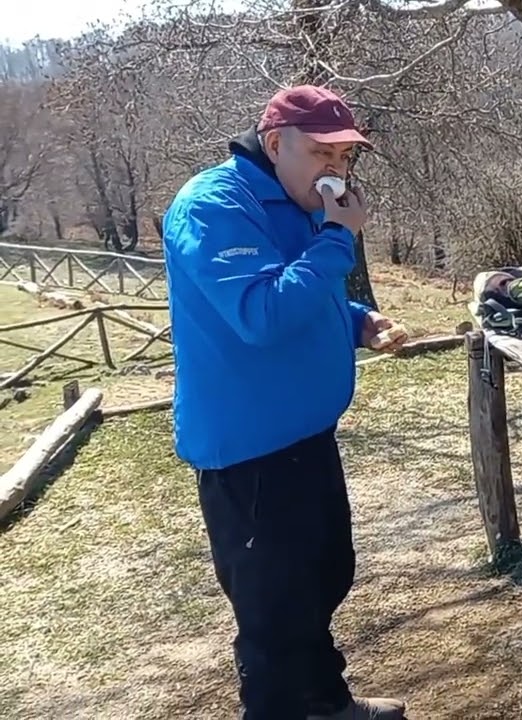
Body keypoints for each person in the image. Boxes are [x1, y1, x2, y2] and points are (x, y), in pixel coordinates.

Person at [162, 85, 409, 720]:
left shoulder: (299, 205)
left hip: (306, 433)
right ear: (276, 144)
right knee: (272, 610)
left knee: (322, 577)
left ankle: (325, 703)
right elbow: (261, 312)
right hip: (250, 450)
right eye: (321, 151)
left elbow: (305, 296)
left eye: (345, 155)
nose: (335, 168)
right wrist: (336, 241)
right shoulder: (216, 205)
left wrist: (358, 320)